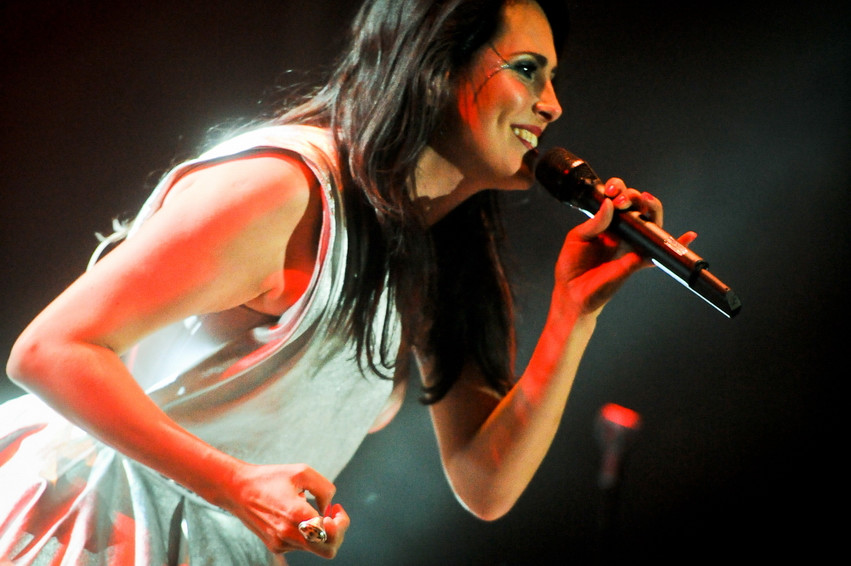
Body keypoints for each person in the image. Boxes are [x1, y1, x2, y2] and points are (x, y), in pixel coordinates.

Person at [1, 0, 696, 563]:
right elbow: (50, 351)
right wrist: (238, 484)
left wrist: (575, 313)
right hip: (79, 526)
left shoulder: (438, 255)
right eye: (526, 69)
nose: (551, 107)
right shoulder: (284, 189)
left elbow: (486, 484)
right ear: (432, 62)